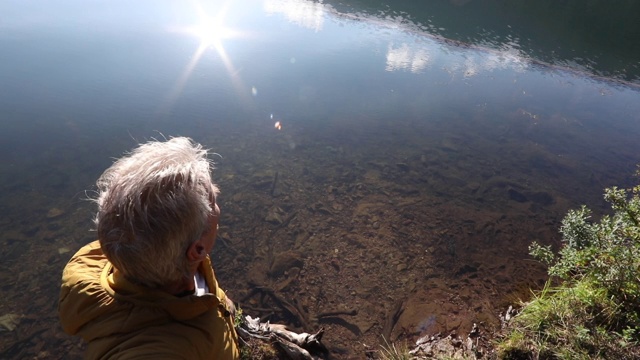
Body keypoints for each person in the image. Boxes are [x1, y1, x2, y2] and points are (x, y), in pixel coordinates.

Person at [58, 137, 239, 359]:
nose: (217, 199)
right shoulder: (162, 348)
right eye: (214, 200)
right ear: (198, 251)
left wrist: (224, 307)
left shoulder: (127, 251)